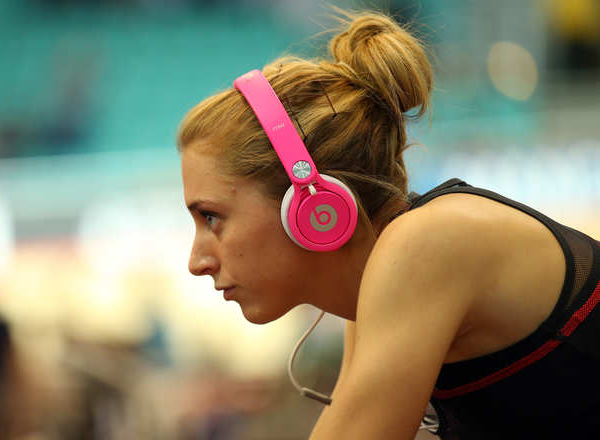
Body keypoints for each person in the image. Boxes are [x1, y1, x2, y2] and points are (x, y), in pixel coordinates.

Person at [175, 9, 600, 440]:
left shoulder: (427, 244)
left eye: (211, 217)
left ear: (311, 205)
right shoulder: (373, 294)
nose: (197, 262)